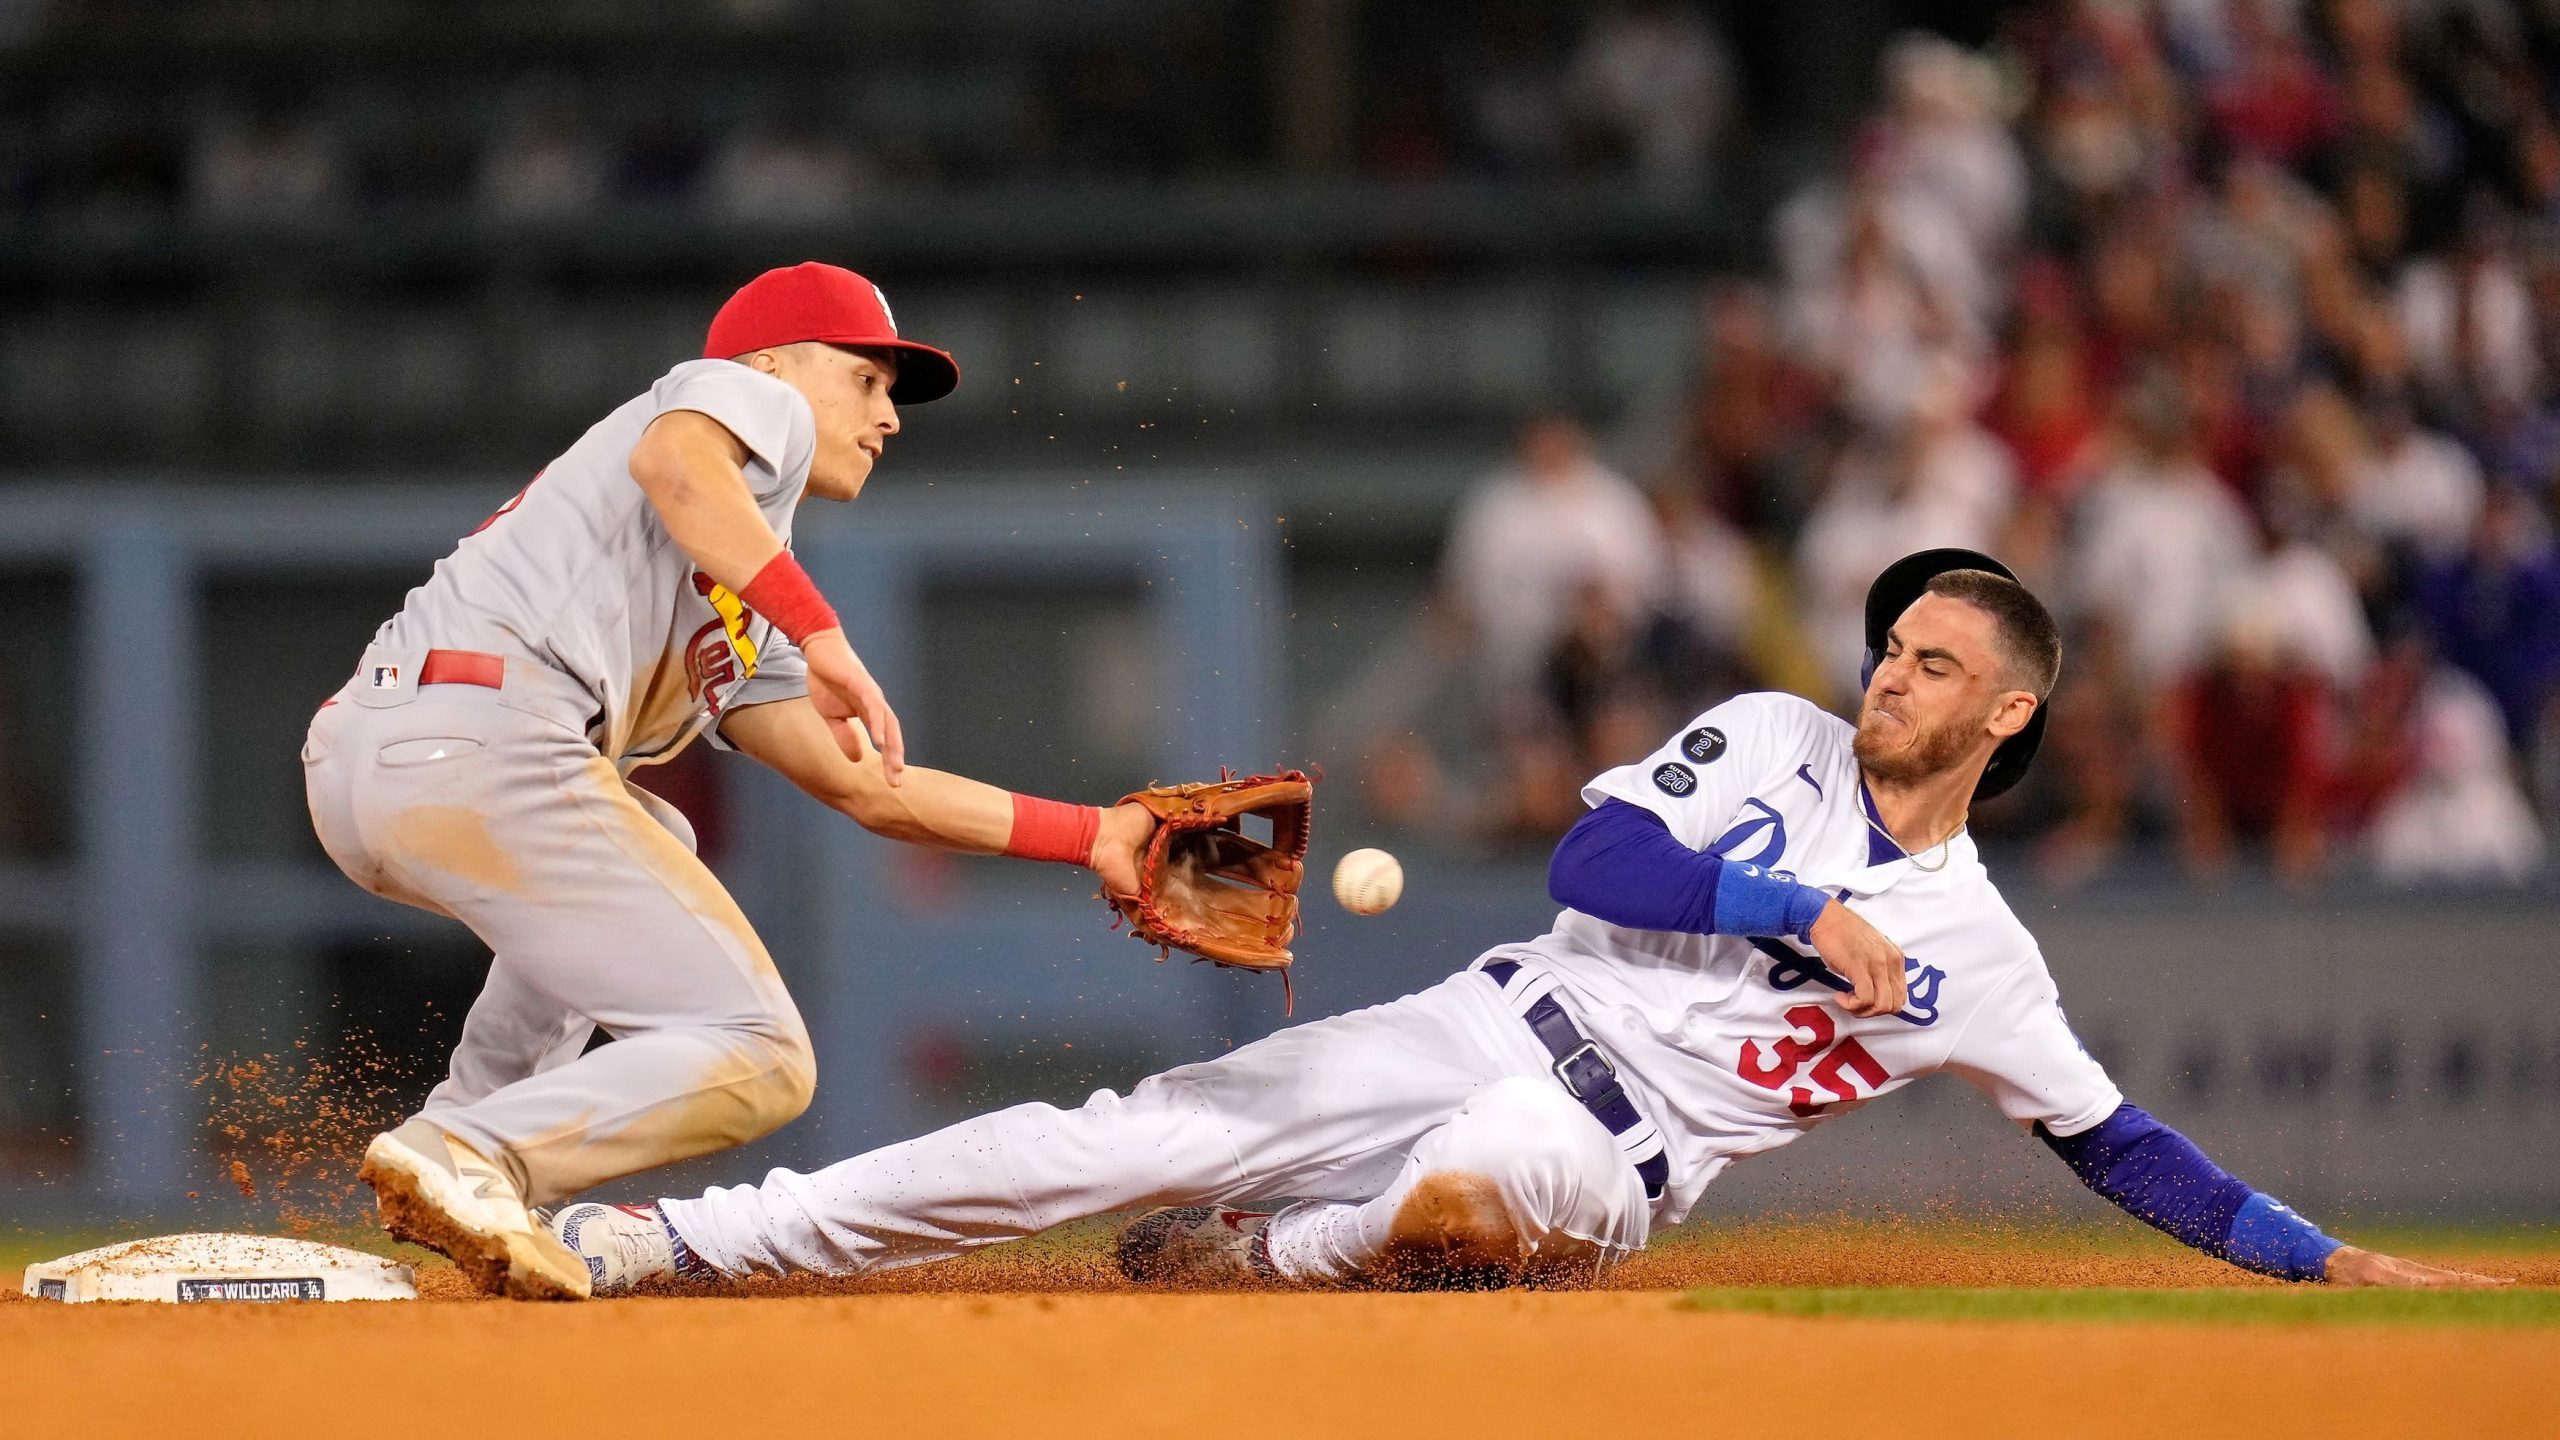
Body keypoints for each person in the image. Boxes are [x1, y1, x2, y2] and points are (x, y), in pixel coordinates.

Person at [550, 551, 2501, 1296]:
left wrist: (2319, 1263)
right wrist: (1792, 904)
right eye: (1891, 643)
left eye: (1933, 665)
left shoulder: (1985, 960)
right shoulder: (1770, 740)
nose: (1888, 675)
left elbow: (2111, 1142)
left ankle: (1277, 1259)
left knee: (1472, 1187)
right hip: (1487, 1010)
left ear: (2005, 716)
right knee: (1105, 1135)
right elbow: (1595, 875)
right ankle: (674, 1242)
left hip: (1603, 1149)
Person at [304, 262, 1156, 1298]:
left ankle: (461, 1147)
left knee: (659, 826)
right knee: (761, 1053)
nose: (887, 417)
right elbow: (677, 462)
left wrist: (1092, 837)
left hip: (384, 755)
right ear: (771, 363)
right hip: (482, 737)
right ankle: (473, 1152)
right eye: (868, 380)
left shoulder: (733, 573)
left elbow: (868, 788)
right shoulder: (746, 408)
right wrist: (819, 624)